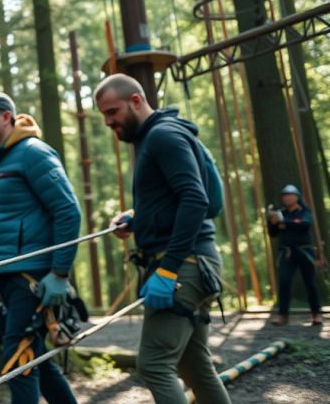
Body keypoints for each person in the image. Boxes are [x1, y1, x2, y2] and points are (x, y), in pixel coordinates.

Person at [95, 74, 230, 404]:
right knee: (194, 366)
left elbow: (195, 199)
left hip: (184, 265)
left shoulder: (163, 136)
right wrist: (137, 219)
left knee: (154, 365)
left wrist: (168, 271)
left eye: (113, 111)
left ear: (137, 101)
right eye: (104, 116)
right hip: (193, 262)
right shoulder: (155, 137)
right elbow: (174, 200)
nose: (109, 122)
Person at [0, 90, 81, 404]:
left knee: (17, 360)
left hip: (33, 279)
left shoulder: (33, 153)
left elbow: (68, 211)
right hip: (6, 279)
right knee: (35, 357)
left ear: (7, 117)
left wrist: (60, 273)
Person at [268, 184, 323, 326]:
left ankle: (316, 314)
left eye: (289, 195)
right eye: (284, 195)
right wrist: (273, 222)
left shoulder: (304, 211)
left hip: (304, 252)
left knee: (310, 283)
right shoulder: (281, 213)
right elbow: (273, 233)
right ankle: (283, 315)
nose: (286, 198)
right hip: (287, 253)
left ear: (296, 197)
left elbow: (304, 224)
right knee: (284, 282)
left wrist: (284, 223)